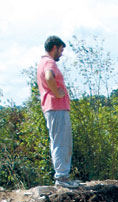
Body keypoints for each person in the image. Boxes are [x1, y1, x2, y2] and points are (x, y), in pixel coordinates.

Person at [37, 36, 78, 189]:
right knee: (62, 141)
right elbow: (49, 76)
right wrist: (57, 92)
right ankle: (62, 177)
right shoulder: (49, 62)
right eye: (61, 50)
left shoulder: (43, 62)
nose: (61, 53)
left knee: (58, 141)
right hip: (56, 106)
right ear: (54, 47)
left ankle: (62, 176)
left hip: (53, 108)